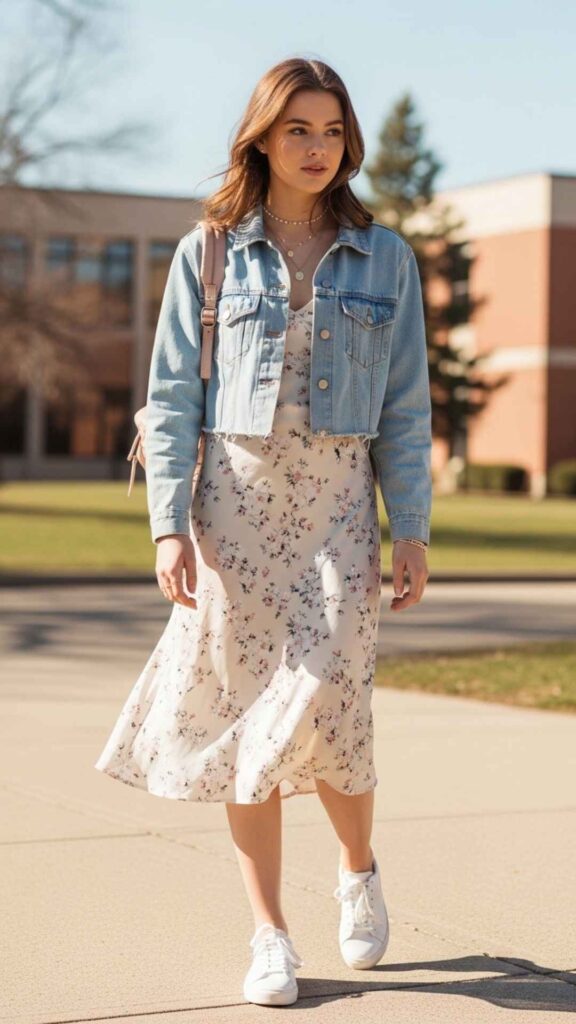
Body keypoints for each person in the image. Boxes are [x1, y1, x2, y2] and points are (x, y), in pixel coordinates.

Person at [94, 56, 432, 1008]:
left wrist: (409, 528)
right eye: (299, 131)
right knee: (249, 721)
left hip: (336, 515)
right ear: (262, 137)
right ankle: (270, 935)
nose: (318, 148)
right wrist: (169, 528)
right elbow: (169, 402)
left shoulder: (388, 258)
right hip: (233, 516)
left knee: (330, 706)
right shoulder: (208, 252)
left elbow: (407, 409)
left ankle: (357, 868)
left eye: (331, 132)